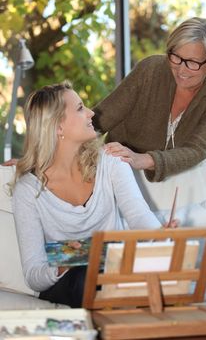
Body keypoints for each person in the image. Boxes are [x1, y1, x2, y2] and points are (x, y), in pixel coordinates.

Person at [11, 81, 176, 308]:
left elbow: (138, 216)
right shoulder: (28, 191)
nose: (91, 113)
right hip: (71, 286)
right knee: (85, 276)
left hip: (114, 275)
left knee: (139, 275)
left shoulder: (111, 161)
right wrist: (67, 262)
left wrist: (162, 236)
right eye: (80, 108)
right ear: (58, 127)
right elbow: (33, 275)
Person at [92, 17, 206, 182]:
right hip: (118, 173)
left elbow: (197, 149)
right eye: (176, 57)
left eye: (193, 63)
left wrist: (143, 159)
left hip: (174, 182)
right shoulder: (150, 70)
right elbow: (101, 118)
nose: (181, 69)